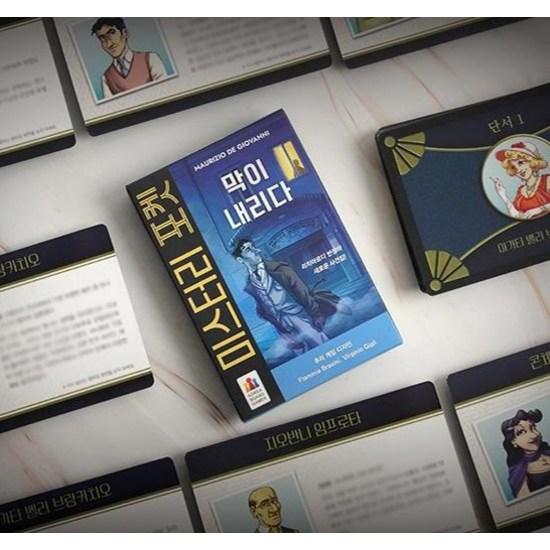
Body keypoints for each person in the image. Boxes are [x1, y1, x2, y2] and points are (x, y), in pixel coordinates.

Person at [232, 238, 340, 356]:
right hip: (281, 325)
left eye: (253, 246)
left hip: (298, 314)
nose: (256, 251)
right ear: (240, 259)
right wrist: (269, 318)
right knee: (301, 354)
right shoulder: (250, 282)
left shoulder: (279, 268)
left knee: (321, 344)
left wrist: (316, 314)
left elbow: (302, 292)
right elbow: (261, 305)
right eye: (248, 250)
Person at [90, 18, 167, 99]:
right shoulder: (106, 78)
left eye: (112, 33)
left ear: (125, 33)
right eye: (102, 39)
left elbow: (165, 90)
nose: (109, 43)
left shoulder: (150, 59)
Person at [492, 140, 550, 220]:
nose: (518, 170)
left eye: (521, 163)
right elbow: (517, 216)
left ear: (533, 162)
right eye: (513, 167)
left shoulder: (547, 180)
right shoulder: (521, 191)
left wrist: (539, 209)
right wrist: (503, 195)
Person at [501, 408, 550, 498]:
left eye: (533, 427)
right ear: (513, 441)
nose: (534, 435)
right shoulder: (518, 472)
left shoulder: (547, 452)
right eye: (522, 432)